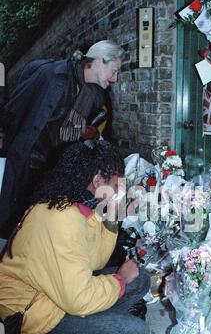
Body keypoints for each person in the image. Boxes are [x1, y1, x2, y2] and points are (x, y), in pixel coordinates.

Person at [0, 141, 150, 334]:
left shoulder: (76, 203)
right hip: (34, 312)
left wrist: (112, 219)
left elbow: (95, 261)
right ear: (97, 180)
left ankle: (91, 326)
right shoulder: (62, 219)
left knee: (141, 280)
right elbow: (79, 299)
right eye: (116, 187)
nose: (120, 193)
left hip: (58, 292)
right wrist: (120, 280)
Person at [0, 40, 125, 238]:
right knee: (16, 221)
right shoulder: (51, 76)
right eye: (115, 70)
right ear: (99, 61)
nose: (115, 78)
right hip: (29, 161)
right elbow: (14, 109)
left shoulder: (95, 94)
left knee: (41, 225)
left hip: (56, 166)